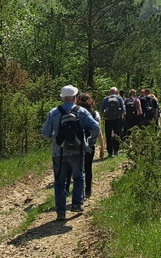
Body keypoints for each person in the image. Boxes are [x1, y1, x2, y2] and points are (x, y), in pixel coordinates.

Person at [41, 85, 100, 220]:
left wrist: (56, 137)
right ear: (75, 97)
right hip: (78, 151)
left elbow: (45, 133)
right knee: (79, 177)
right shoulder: (82, 112)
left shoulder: (54, 112)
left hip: (58, 152)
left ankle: (61, 212)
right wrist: (87, 139)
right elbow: (95, 128)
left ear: (62, 98)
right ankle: (77, 204)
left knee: (59, 182)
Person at [75, 92, 101, 200]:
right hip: (91, 144)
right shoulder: (95, 113)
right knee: (88, 167)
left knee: (79, 169)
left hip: (77, 144)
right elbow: (98, 130)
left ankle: (80, 191)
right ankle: (88, 189)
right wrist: (101, 145)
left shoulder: (76, 113)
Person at [99, 87, 125, 158]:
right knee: (117, 135)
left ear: (110, 92)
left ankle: (109, 152)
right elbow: (123, 109)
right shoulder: (119, 98)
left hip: (108, 119)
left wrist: (104, 115)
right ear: (116, 92)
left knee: (108, 135)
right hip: (117, 119)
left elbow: (101, 110)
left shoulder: (106, 99)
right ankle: (116, 151)